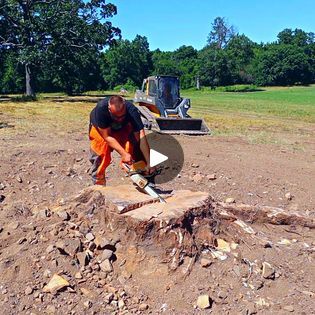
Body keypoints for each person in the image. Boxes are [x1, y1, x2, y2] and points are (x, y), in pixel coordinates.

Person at [89, 95, 154, 185]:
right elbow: (107, 137)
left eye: (122, 116)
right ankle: (98, 185)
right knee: (101, 153)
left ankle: (142, 178)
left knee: (134, 146)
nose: (119, 119)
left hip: (123, 128)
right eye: (116, 117)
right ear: (109, 109)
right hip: (102, 130)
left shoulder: (132, 111)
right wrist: (123, 154)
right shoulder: (101, 109)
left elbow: (141, 137)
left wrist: (149, 161)